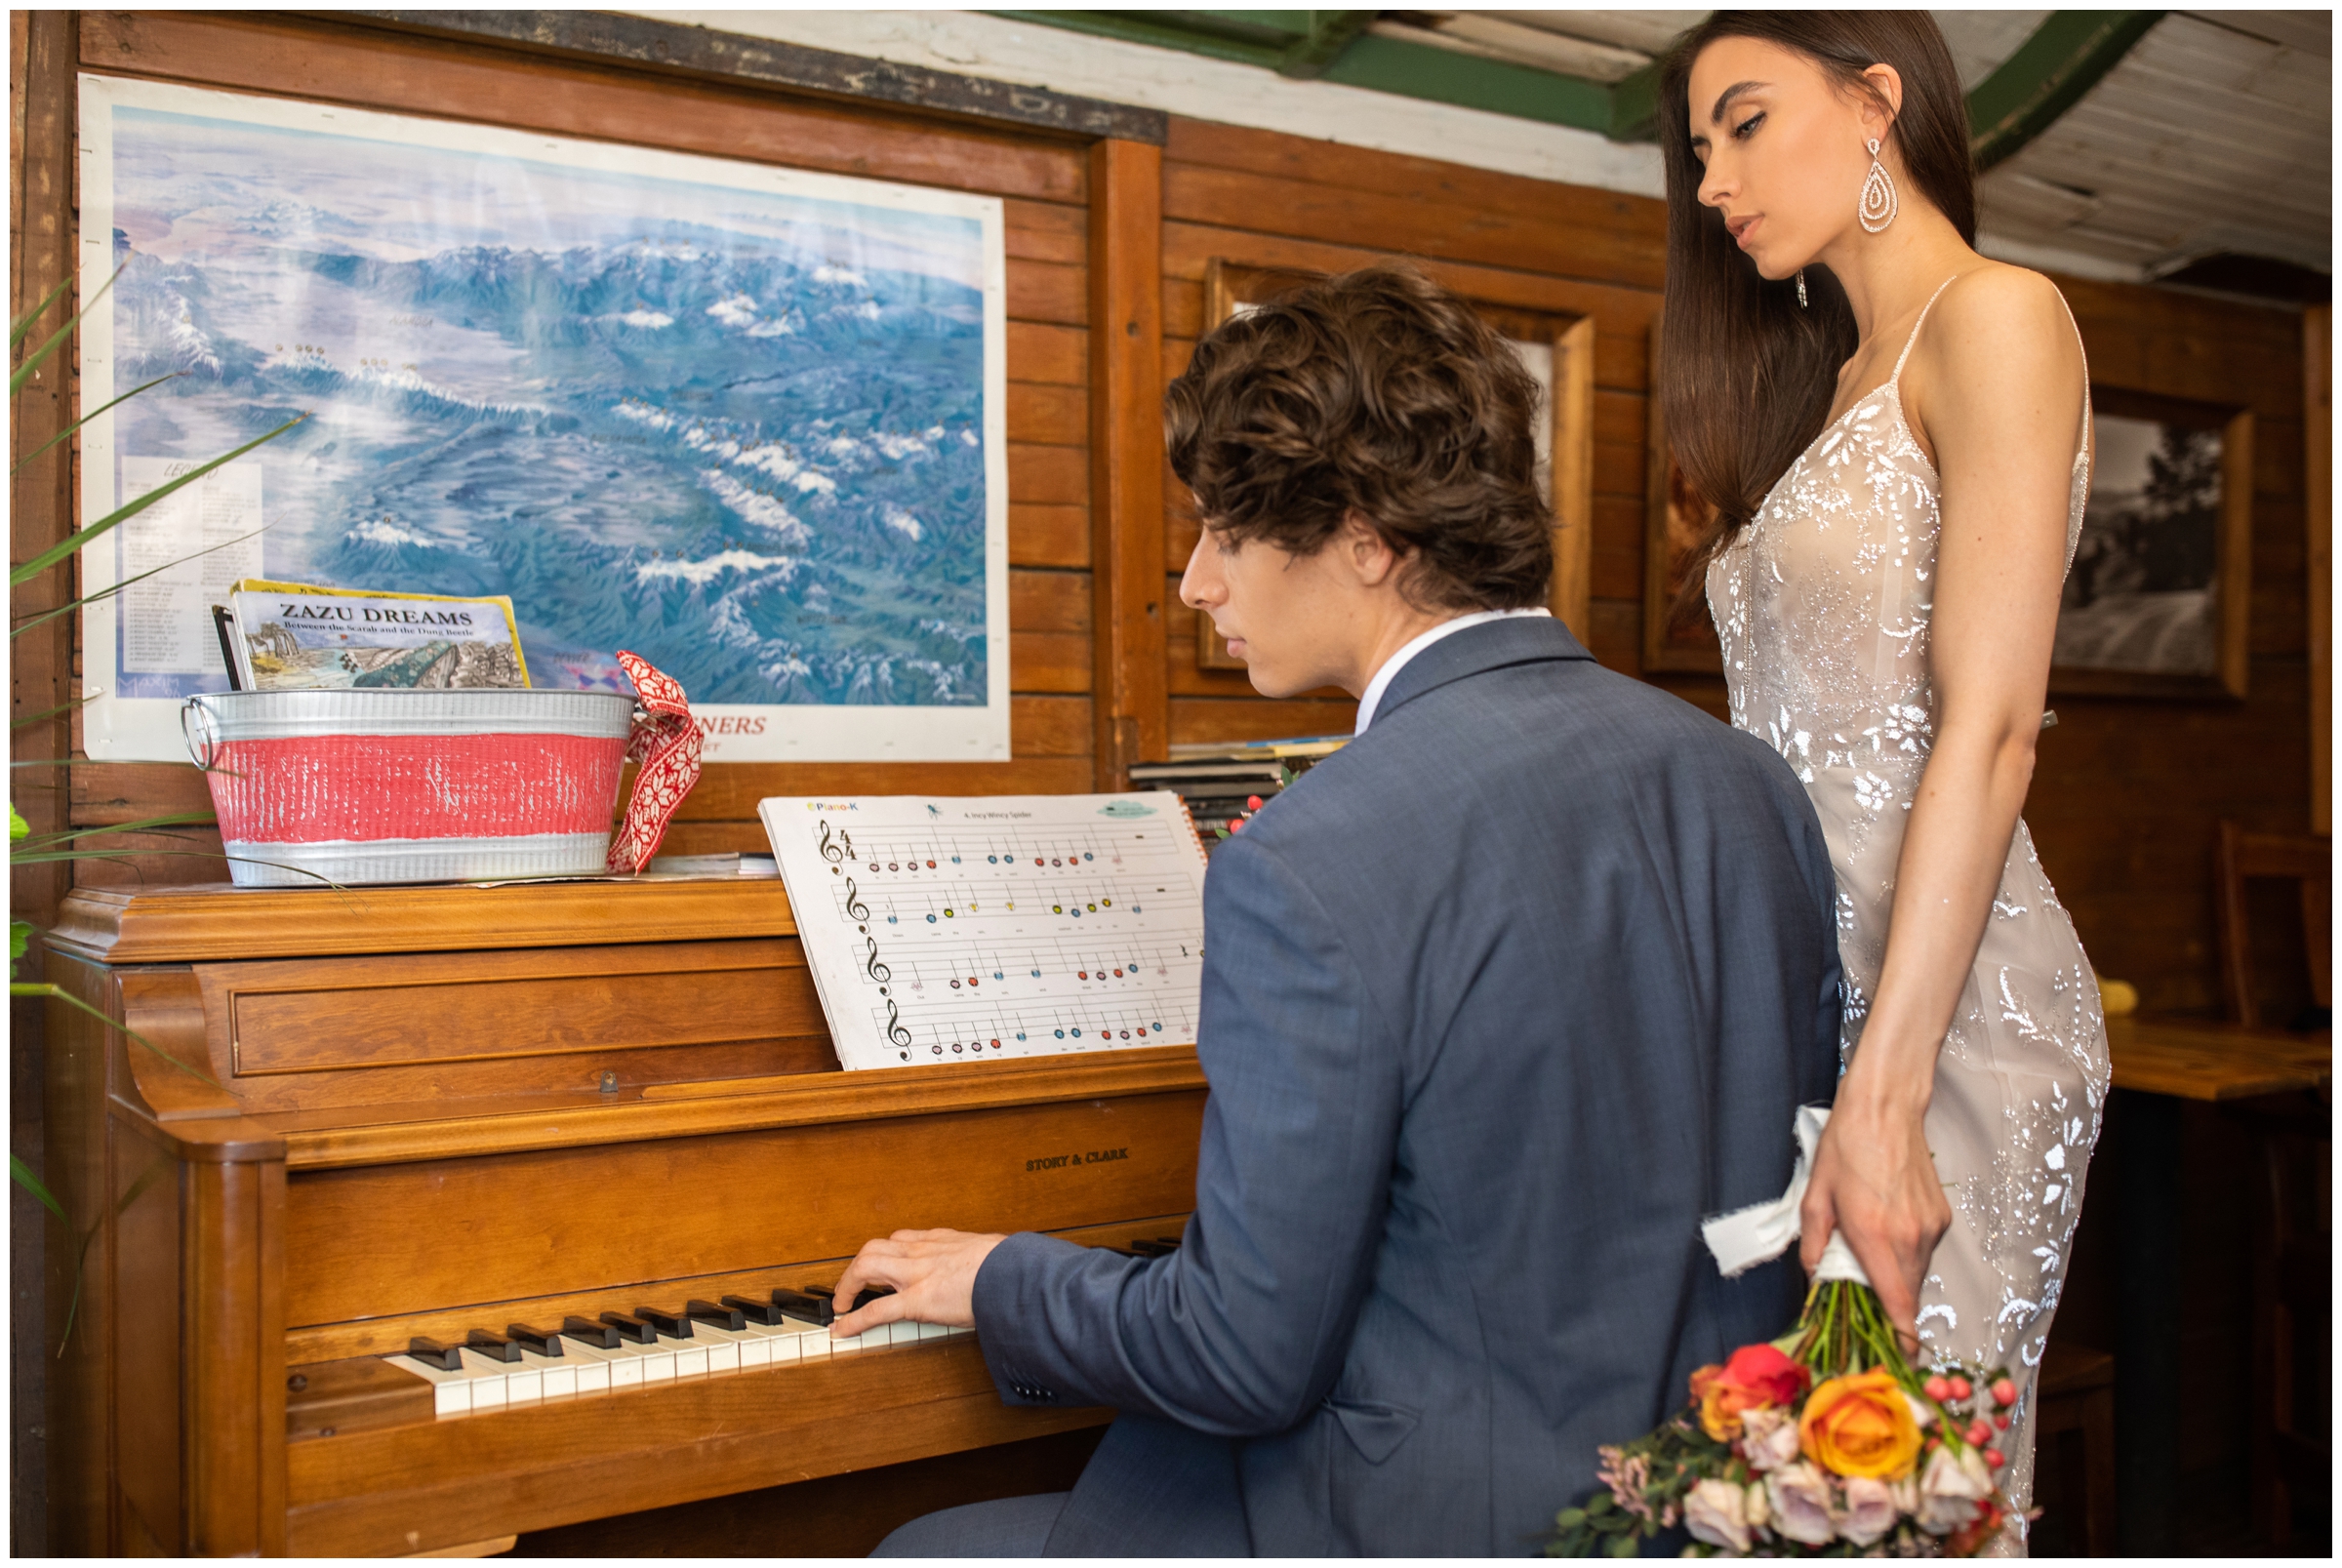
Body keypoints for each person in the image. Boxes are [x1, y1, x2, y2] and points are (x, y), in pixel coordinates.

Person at [829, 262, 1844, 1556]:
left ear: (1368, 536)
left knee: (920, 1551)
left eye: (1226, 533)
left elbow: (1243, 1358)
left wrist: (1000, 1277)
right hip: (1708, 1506)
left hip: (1430, 1519)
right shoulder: (1748, 784)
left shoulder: (1307, 858)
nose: (1197, 583)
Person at [1660, 13, 2112, 1546]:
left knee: (1895, 1514)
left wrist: (1888, 1095)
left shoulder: (1999, 318)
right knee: (1790, 1506)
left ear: (1874, 102)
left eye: (1744, 121)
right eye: (1697, 147)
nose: (1714, 177)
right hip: (1799, 1014)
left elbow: (1989, 726)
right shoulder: (1827, 379)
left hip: (1950, 1033)